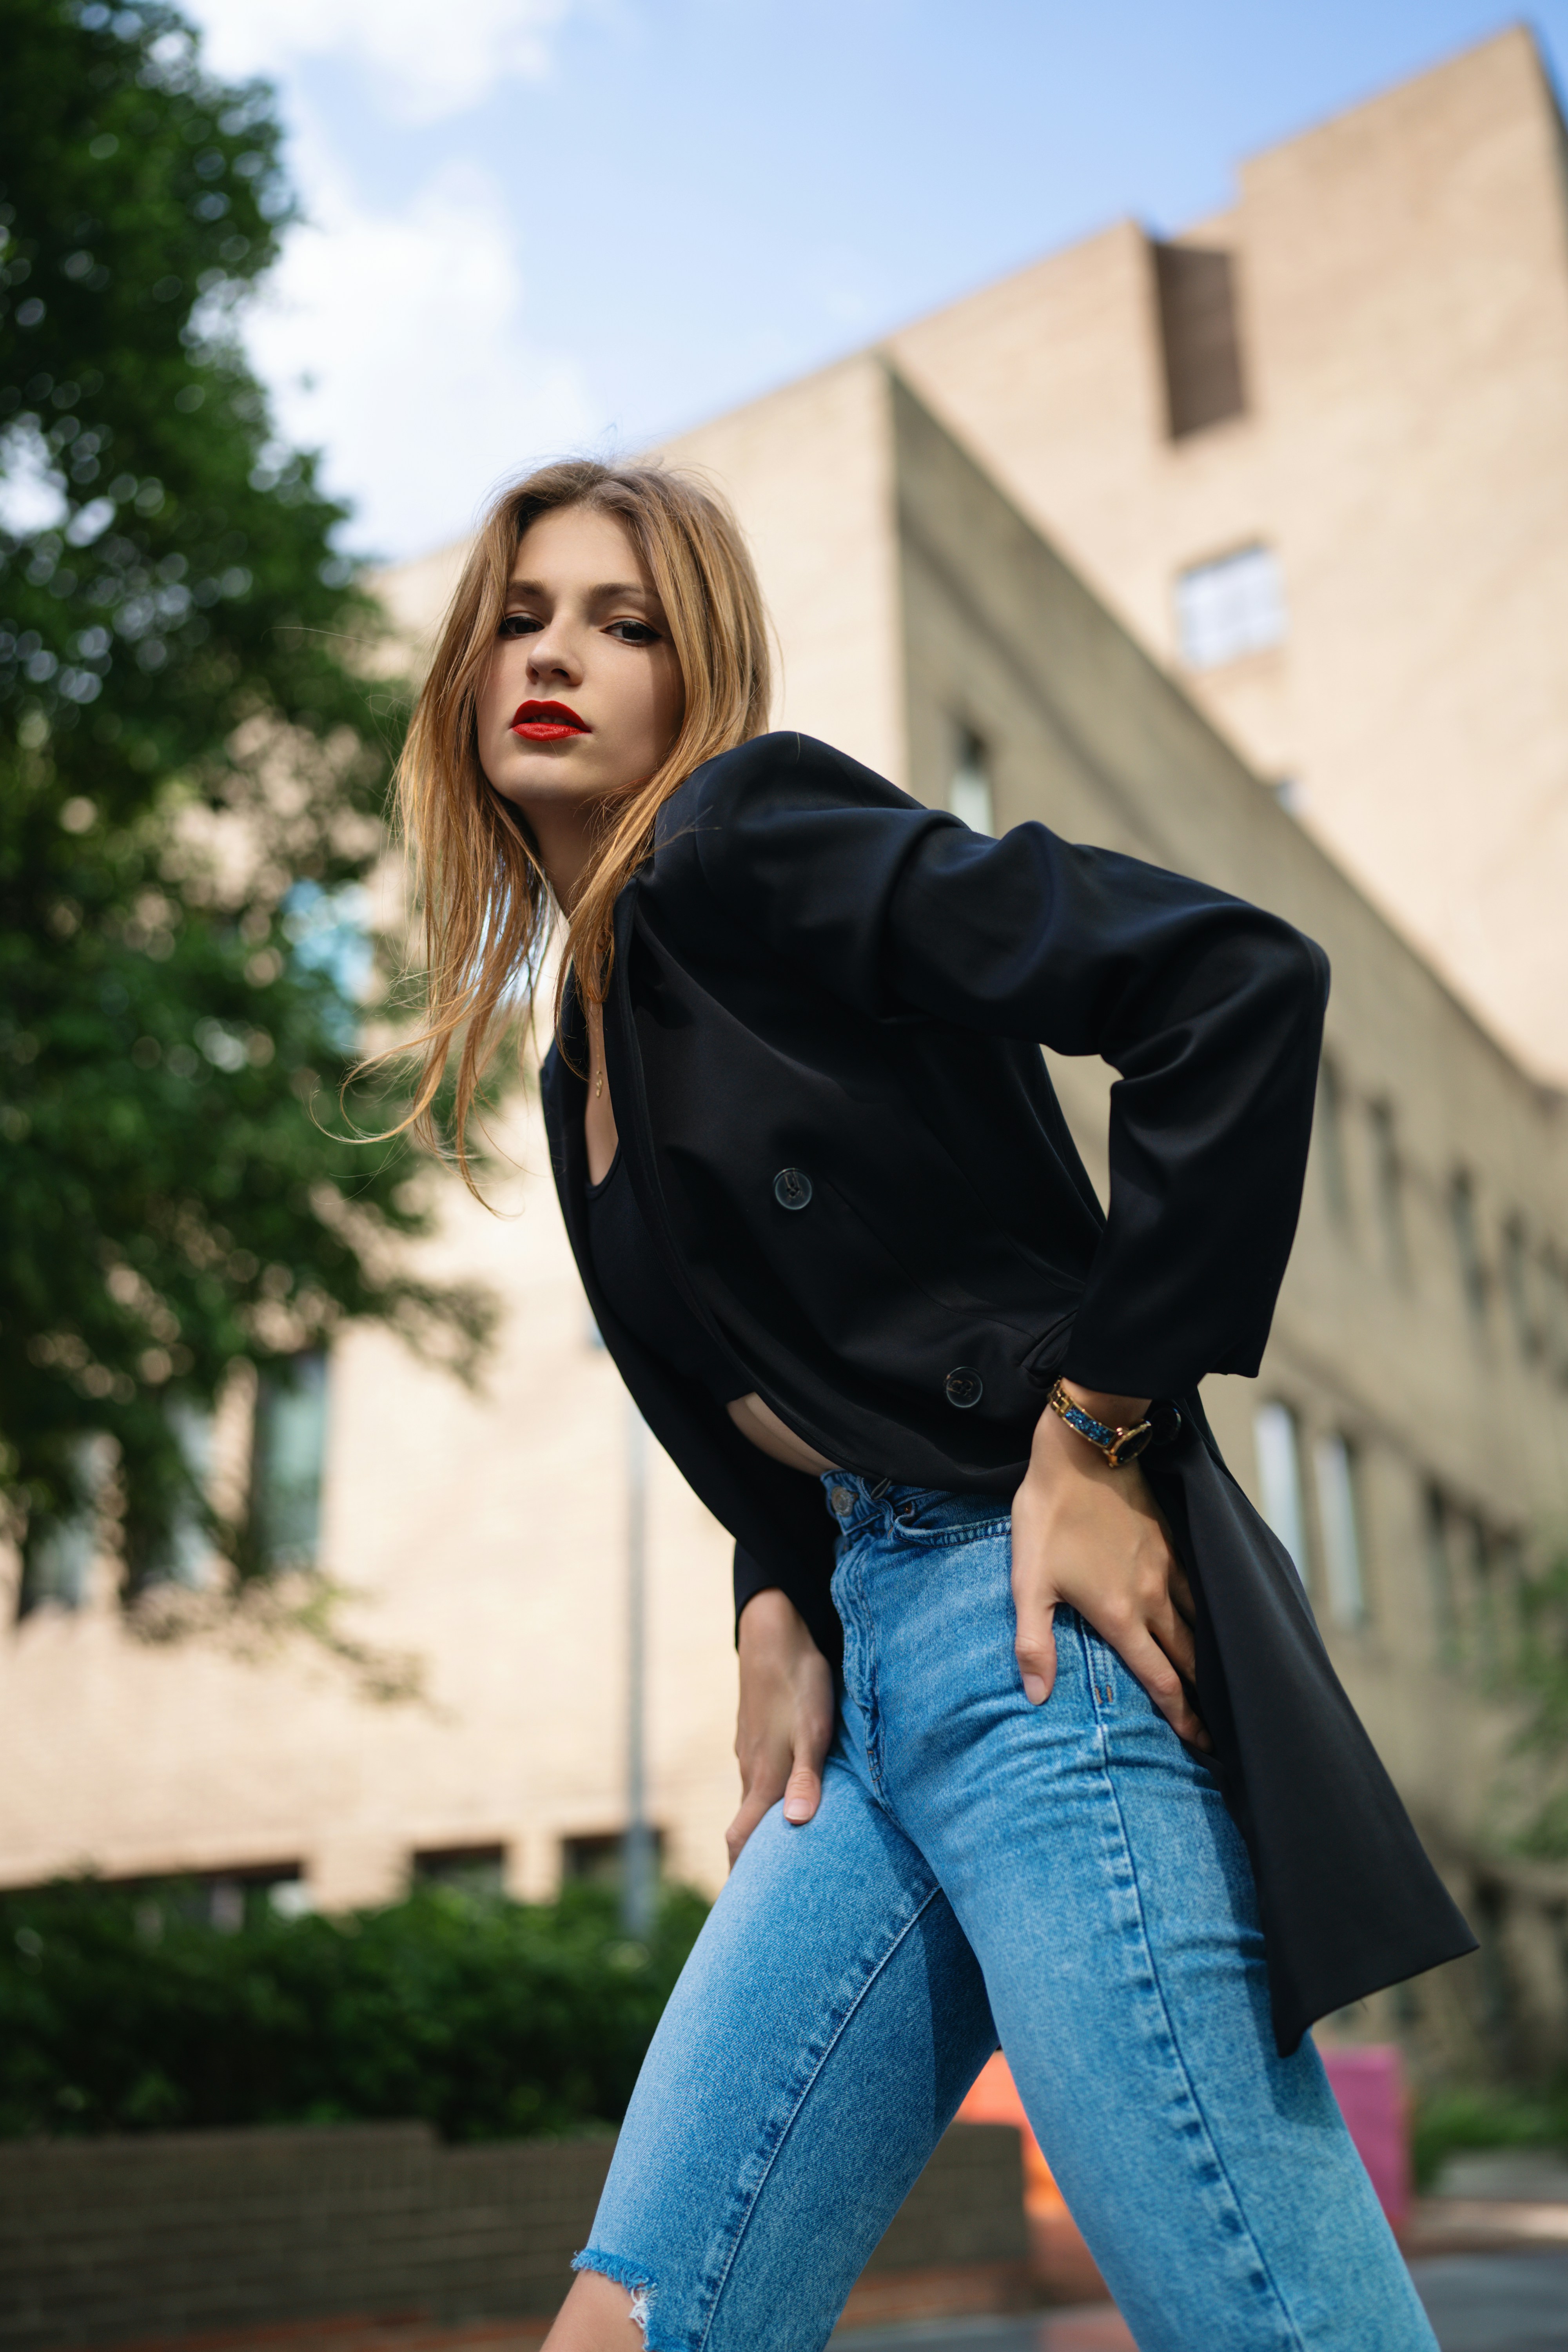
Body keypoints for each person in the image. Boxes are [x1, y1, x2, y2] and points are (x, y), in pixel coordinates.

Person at [390, 459, 1472, 2352]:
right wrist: (768, 1590)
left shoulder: (744, 838)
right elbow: (789, 1355)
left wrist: (1101, 1421)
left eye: (624, 623)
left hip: (1033, 1650)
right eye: (524, 615)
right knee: (642, 2322)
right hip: (867, 1704)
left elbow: (1232, 984)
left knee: (1264, 2320)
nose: (558, 654)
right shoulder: (583, 1051)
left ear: (692, 679)